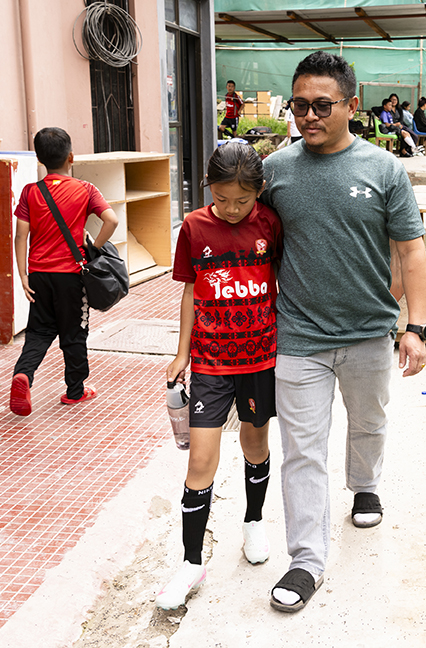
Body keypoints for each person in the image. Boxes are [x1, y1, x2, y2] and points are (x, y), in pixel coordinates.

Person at [261, 51, 426, 613]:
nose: (309, 116)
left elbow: (411, 252)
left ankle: (365, 485)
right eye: (299, 105)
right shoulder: (275, 171)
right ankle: (306, 560)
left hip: (367, 334)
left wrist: (414, 327)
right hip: (299, 336)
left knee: (369, 423)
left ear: (351, 105)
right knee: (301, 451)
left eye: (322, 105)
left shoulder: (384, 170)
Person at [156, 140, 283, 609]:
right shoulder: (194, 227)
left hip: (260, 358)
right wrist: (181, 353)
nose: (231, 209)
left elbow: (283, 278)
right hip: (210, 361)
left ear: (259, 191)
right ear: (208, 187)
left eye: (242, 200)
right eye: (222, 198)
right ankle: (191, 562)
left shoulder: (270, 222)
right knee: (199, 462)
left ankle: (254, 522)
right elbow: (190, 291)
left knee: (255, 445)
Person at [8, 127, 119, 416]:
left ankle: (23, 375)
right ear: (71, 157)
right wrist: (94, 246)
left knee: (38, 331)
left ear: (39, 159)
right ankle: (75, 391)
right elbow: (111, 220)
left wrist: (23, 274)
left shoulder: (30, 192)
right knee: (74, 332)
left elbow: (20, 236)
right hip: (71, 275)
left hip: (39, 275)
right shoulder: (86, 189)